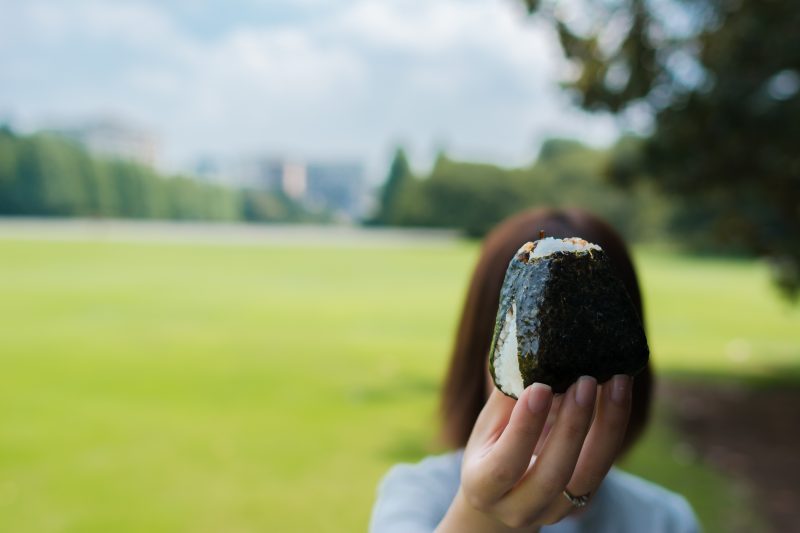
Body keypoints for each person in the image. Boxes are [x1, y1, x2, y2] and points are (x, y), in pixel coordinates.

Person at [369, 208, 700, 533]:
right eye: (522, 341)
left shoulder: (665, 521)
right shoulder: (414, 494)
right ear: (481, 356)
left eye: (585, 347)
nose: (555, 390)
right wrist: (481, 518)